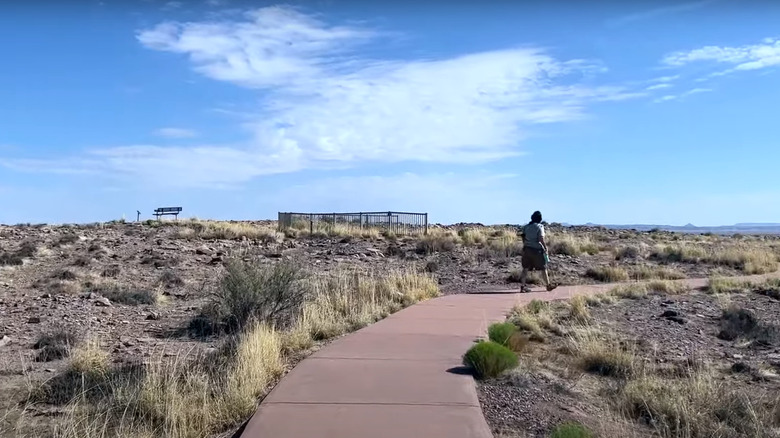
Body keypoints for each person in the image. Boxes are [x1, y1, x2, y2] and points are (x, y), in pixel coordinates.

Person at [519, 211, 557, 292]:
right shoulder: (540, 227)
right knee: (543, 268)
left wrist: (525, 245)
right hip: (537, 250)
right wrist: (545, 248)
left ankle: (522, 286)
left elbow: (523, 237)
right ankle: (548, 285)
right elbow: (541, 239)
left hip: (527, 249)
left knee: (525, 268)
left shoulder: (526, 227)